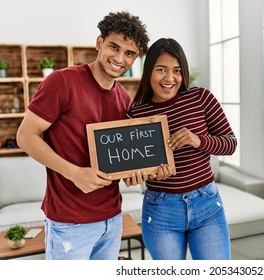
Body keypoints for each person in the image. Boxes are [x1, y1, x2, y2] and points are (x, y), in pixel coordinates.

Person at [16, 11, 172, 260]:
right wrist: (74, 173)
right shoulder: (62, 82)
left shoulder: (124, 99)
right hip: (70, 222)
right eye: (114, 46)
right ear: (99, 43)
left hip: (112, 218)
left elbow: (118, 159)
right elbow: (25, 136)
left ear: (136, 59)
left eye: (129, 53)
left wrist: (134, 174)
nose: (119, 58)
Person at [126, 38, 237, 260]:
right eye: (161, 70)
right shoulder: (135, 116)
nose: (170, 78)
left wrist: (199, 140)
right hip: (160, 210)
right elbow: (129, 173)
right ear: (149, 72)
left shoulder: (201, 98)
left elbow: (230, 143)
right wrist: (135, 175)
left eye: (176, 70)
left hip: (206, 204)